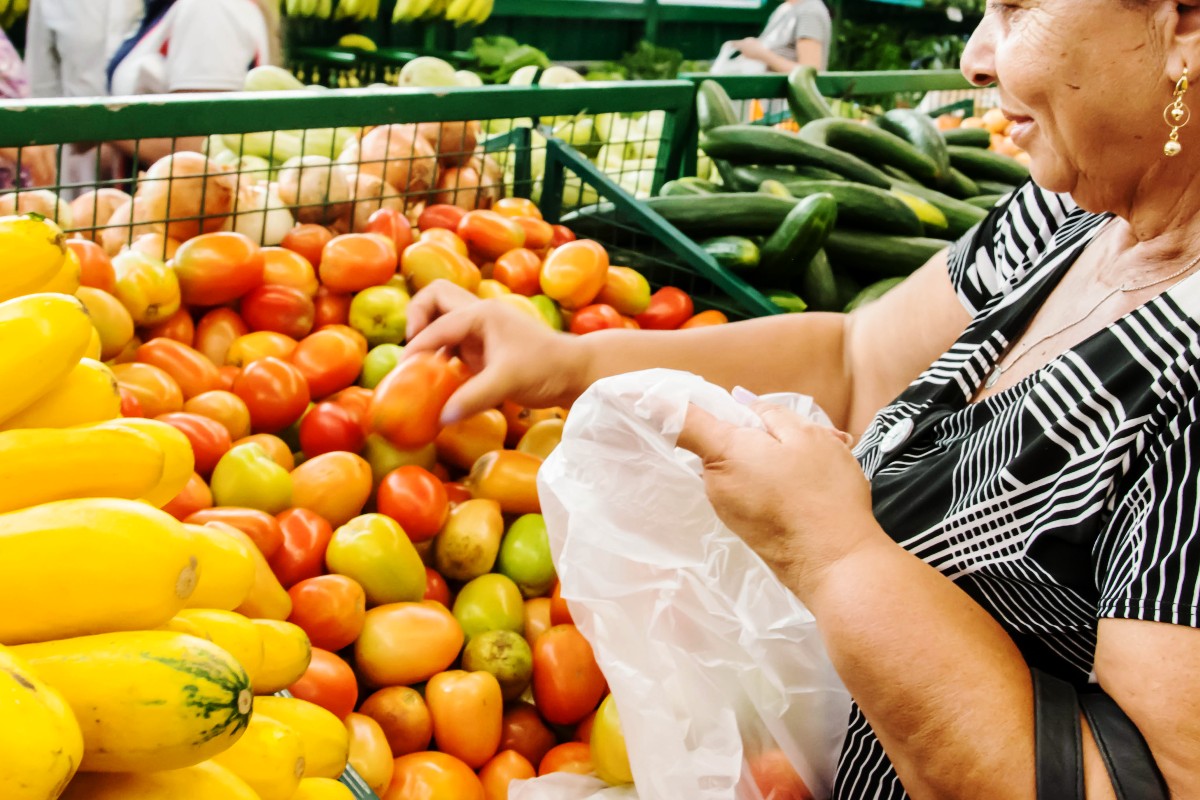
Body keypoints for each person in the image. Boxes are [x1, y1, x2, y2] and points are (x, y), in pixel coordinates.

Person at [401, 0, 1200, 796]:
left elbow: (1134, 783)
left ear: (1184, 22)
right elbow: (857, 359)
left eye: (1018, 7)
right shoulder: (1067, 210)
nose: (976, 57)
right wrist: (568, 362)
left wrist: (835, 555)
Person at [106, 0, 281, 162]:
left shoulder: (210, 9)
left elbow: (198, 145)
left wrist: (100, 128)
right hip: (158, 188)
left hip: (184, 190)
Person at [712, 0, 831, 75]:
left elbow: (810, 72)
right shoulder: (784, 8)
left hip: (789, 111)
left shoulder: (809, 11)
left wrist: (761, 54)